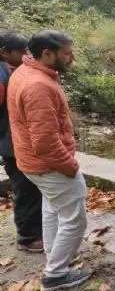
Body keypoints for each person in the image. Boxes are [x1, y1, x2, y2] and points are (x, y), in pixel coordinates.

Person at [7, 30, 91, 289]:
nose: (71, 58)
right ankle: (55, 275)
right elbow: (45, 142)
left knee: (53, 209)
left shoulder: (24, 72)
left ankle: (55, 258)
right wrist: (70, 166)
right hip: (50, 166)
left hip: (31, 163)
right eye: (66, 54)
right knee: (75, 218)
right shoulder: (38, 86)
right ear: (47, 54)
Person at [0, 30, 44, 253]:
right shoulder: (2, 76)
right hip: (12, 144)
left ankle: (34, 231)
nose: (26, 55)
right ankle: (28, 238)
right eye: (22, 52)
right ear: (5, 53)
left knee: (31, 189)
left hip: (15, 142)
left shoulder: (10, 70)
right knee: (26, 190)